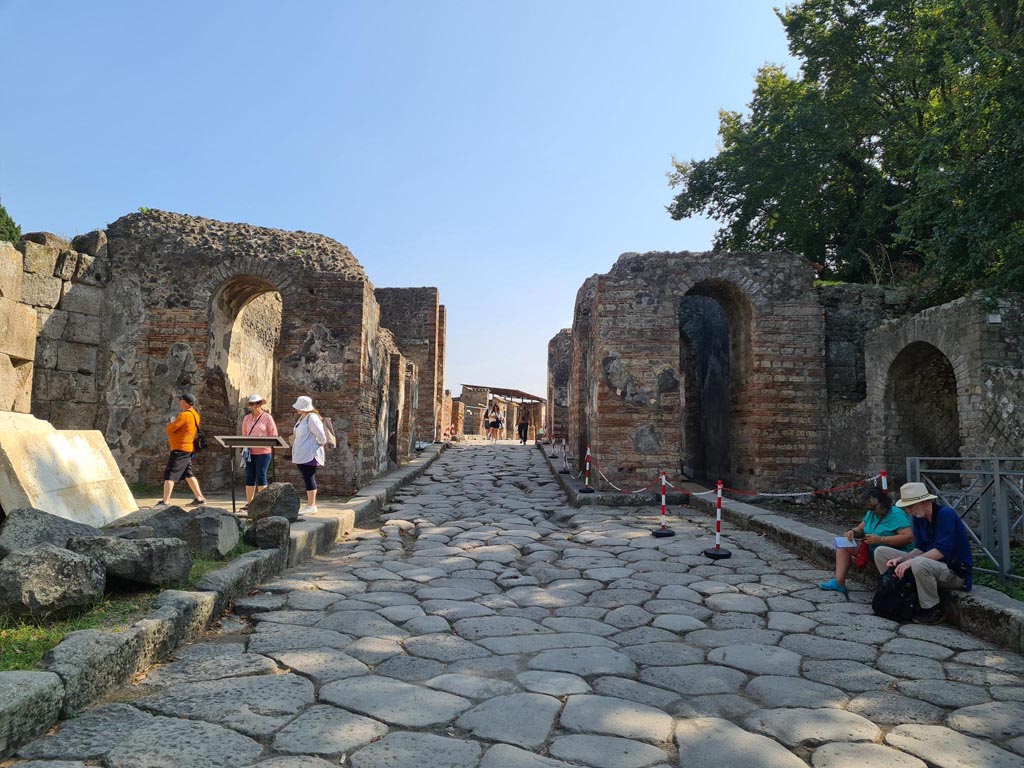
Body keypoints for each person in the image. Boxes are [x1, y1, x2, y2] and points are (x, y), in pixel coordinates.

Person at [873, 481, 974, 624]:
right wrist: (902, 559)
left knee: (919, 563)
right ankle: (896, 594)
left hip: (954, 571)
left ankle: (932, 609)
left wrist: (911, 561)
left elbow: (941, 551)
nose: (908, 511)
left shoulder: (946, 515)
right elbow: (920, 548)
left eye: (910, 506)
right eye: (906, 508)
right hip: (930, 565)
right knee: (881, 552)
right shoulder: (919, 518)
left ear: (924, 502)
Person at [819, 487, 913, 596]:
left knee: (880, 550)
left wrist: (882, 539)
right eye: (870, 508)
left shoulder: (897, 514)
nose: (872, 511)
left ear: (883, 502)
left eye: (874, 508)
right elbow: (861, 529)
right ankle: (839, 581)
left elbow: (908, 537)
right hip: (871, 549)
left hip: (893, 553)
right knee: (844, 544)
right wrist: (852, 532)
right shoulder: (871, 513)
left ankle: (888, 585)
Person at [159, 393, 207, 507]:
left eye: (181, 399)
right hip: (188, 448)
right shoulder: (195, 414)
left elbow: (170, 430)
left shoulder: (184, 415)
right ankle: (200, 498)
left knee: (170, 474)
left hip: (180, 448)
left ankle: (165, 501)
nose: (179, 401)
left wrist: (169, 424)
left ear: (184, 402)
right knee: (188, 474)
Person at [241, 393, 279, 509]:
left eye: (257, 403)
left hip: (264, 451)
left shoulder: (267, 417)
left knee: (261, 475)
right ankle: (250, 503)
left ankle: (262, 503)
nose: (255, 405)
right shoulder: (247, 418)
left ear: (261, 404)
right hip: (250, 452)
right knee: (249, 476)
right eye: (252, 403)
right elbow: (244, 434)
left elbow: (274, 434)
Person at [291, 395, 327, 514]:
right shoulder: (302, 417)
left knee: (309, 476)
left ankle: (312, 504)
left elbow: (321, 435)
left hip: (309, 452)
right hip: (301, 452)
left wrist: (318, 445)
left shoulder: (312, 418)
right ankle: (310, 503)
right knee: (306, 477)